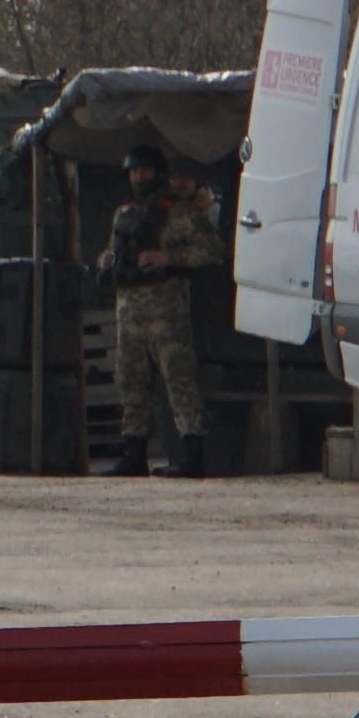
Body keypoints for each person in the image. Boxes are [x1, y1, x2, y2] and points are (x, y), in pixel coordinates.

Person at [100, 148, 217, 476]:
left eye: (145, 171)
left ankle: (192, 456)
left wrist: (168, 258)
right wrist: (106, 260)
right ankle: (133, 454)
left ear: (158, 174)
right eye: (134, 171)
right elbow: (114, 249)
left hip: (167, 312)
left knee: (179, 380)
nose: (139, 177)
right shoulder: (124, 214)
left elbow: (211, 249)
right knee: (131, 382)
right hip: (129, 312)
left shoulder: (180, 213)